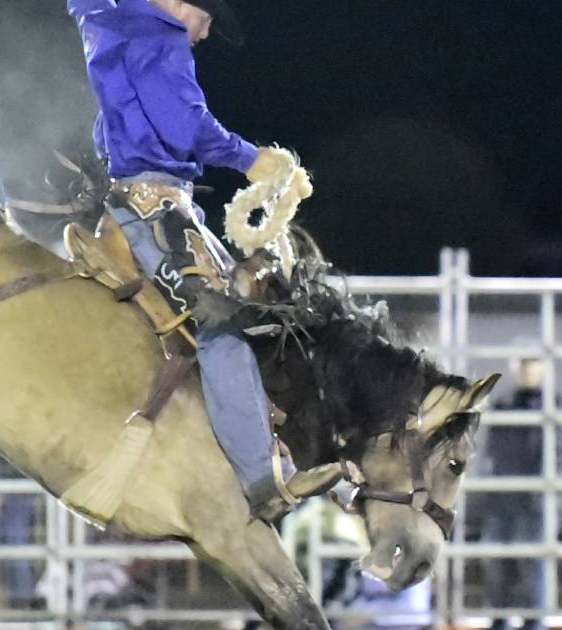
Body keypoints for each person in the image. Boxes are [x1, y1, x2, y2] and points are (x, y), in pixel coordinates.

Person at [67, 0, 333, 521]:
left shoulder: (110, 24)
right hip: (157, 210)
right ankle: (261, 476)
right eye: (206, 19)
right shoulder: (158, 35)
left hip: (137, 202)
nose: (204, 34)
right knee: (222, 326)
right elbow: (183, 124)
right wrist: (250, 157)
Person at [478, 353, 562, 630]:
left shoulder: (554, 406)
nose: (527, 370)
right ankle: (501, 618)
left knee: (533, 563)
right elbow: (492, 451)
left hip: (536, 498)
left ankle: (534, 621)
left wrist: (543, 491)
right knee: (497, 561)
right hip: (504, 497)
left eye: (533, 364)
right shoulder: (503, 405)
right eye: (523, 365)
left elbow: (558, 454)